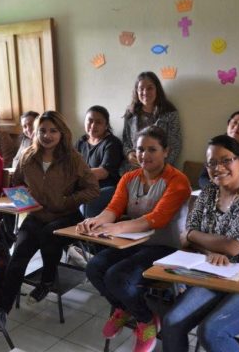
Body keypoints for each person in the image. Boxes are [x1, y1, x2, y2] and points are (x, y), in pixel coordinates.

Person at [162, 135, 239, 352]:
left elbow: (233, 247)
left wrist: (196, 236)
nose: (217, 168)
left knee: (212, 332)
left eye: (226, 160)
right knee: (172, 322)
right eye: (211, 163)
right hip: (217, 277)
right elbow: (186, 235)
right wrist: (209, 249)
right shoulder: (208, 193)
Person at [78, 126, 191, 352]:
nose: (144, 155)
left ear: (166, 151)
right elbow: (113, 208)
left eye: (152, 149)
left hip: (165, 247)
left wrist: (115, 228)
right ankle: (124, 308)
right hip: (132, 242)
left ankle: (146, 319)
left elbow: (156, 220)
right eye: (140, 149)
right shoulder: (129, 177)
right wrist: (95, 221)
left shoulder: (177, 181)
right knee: (94, 268)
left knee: (117, 277)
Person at [0, 111, 99, 315]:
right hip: (37, 215)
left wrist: (66, 201)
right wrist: (25, 198)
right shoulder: (28, 156)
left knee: (48, 234)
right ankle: (1, 310)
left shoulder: (72, 159)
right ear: (35, 132)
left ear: (62, 133)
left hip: (66, 216)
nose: (47, 135)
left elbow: (92, 189)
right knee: (18, 257)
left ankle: (47, 281)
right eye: (42, 130)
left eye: (53, 131)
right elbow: (17, 183)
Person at [122, 71, 181, 171]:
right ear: (136, 91)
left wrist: (160, 167)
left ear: (157, 89)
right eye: (141, 89)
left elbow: (175, 145)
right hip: (135, 168)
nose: (145, 92)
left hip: (162, 169)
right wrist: (129, 154)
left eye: (150, 88)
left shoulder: (170, 113)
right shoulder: (130, 114)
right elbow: (125, 141)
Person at [76, 105, 123, 217]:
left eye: (98, 122)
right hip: (83, 186)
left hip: (106, 189)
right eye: (90, 121)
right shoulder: (81, 142)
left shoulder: (112, 143)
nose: (93, 125)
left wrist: (75, 175)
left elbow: (103, 172)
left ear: (106, 125)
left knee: (86, 202)